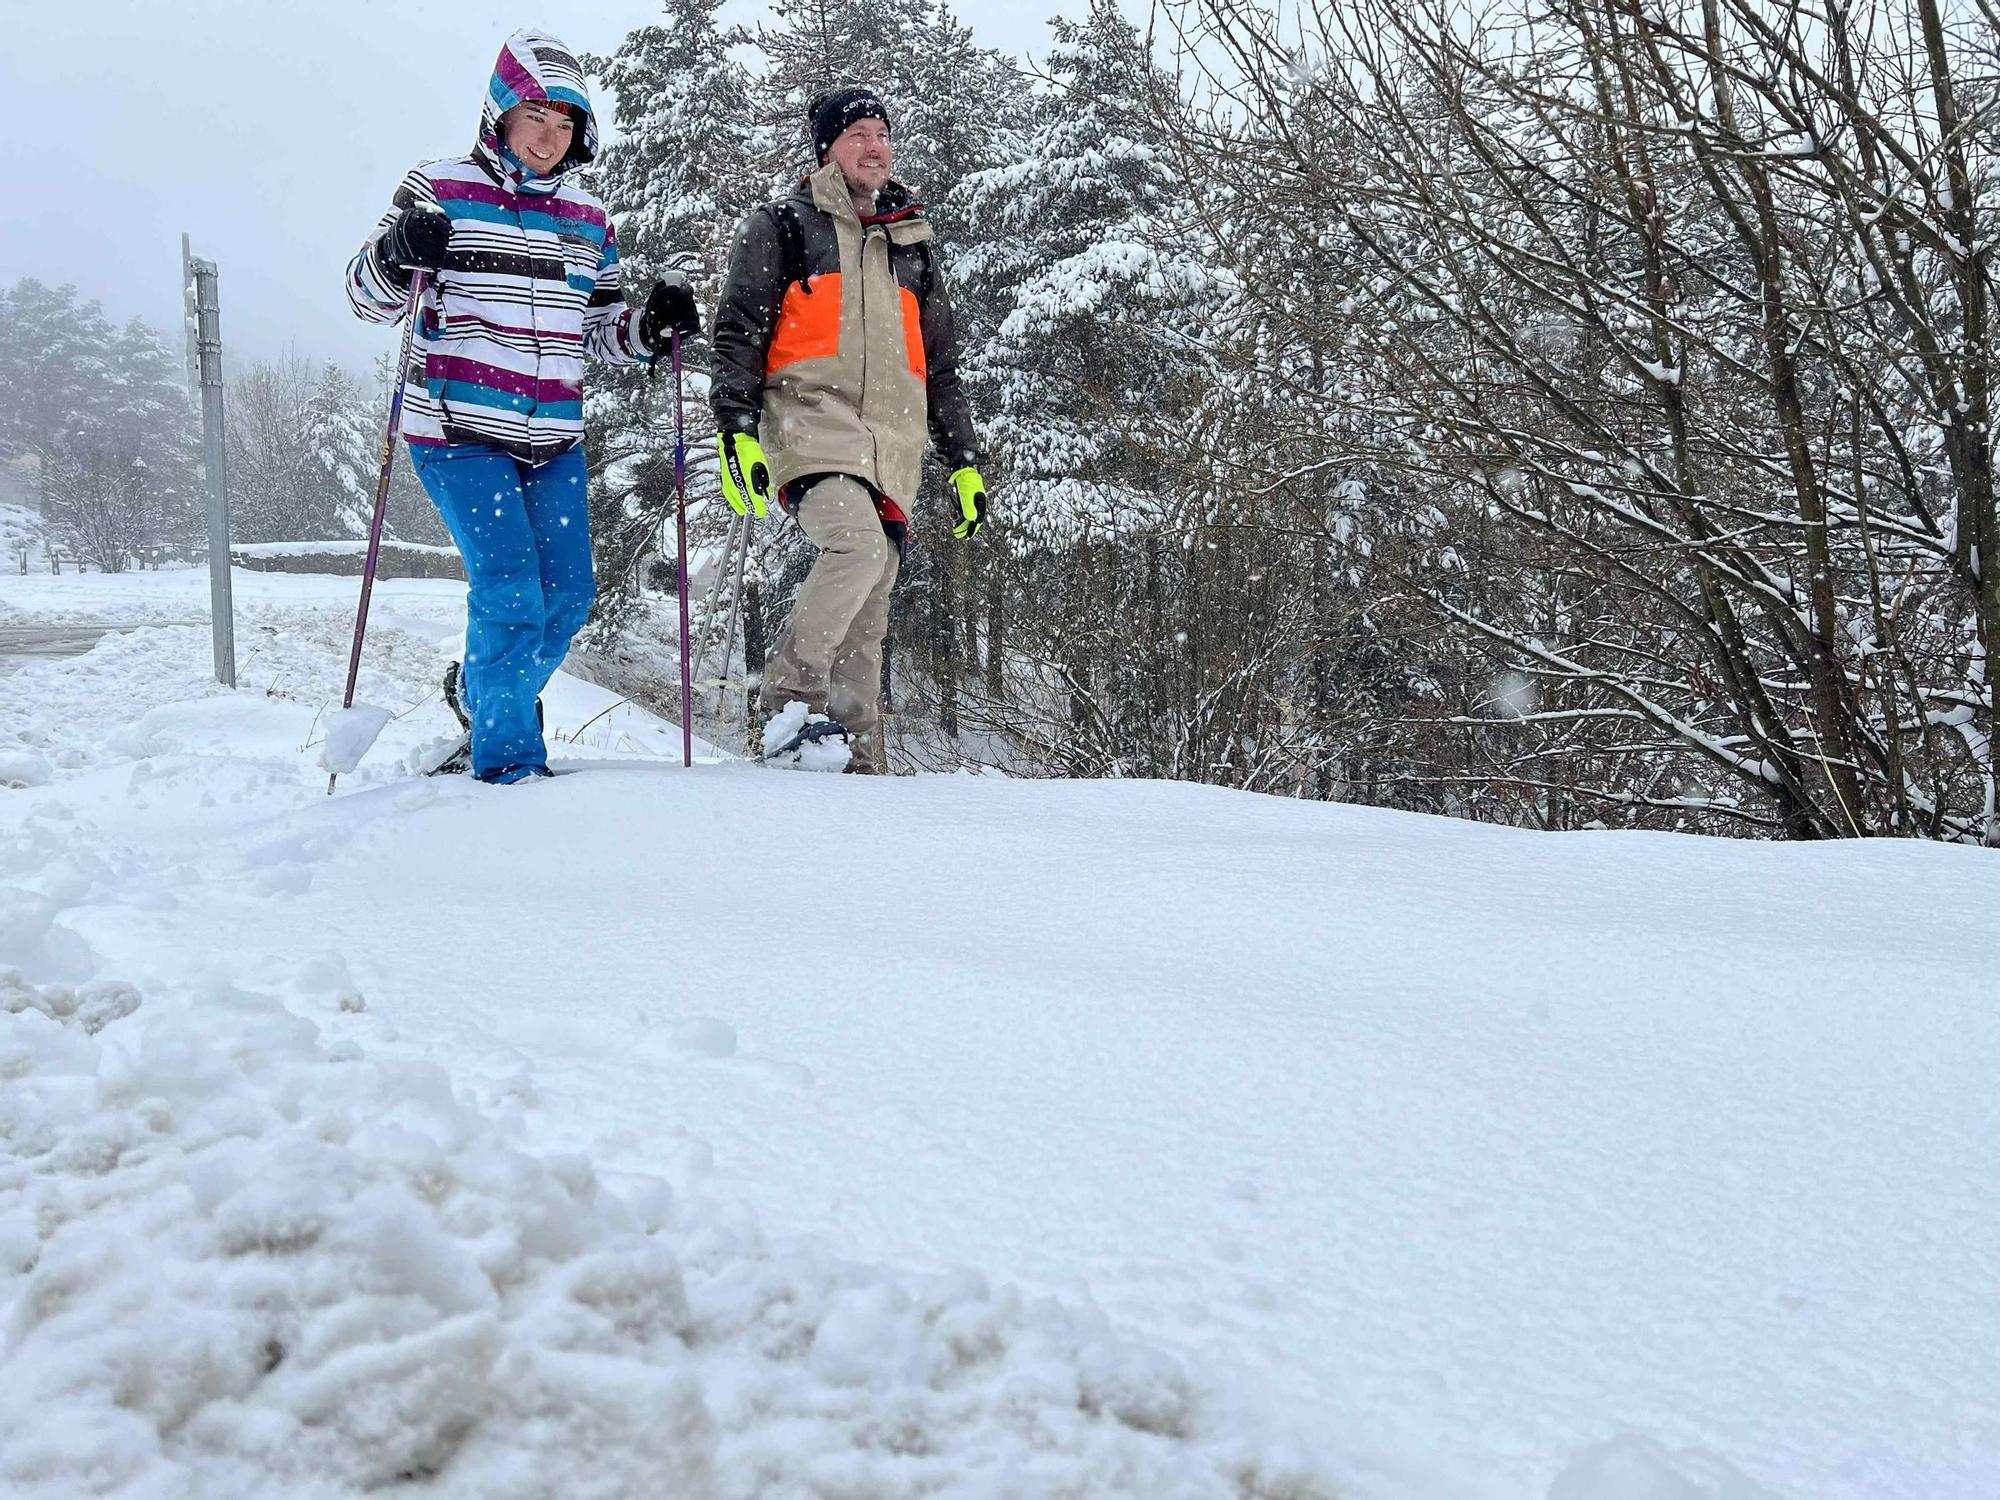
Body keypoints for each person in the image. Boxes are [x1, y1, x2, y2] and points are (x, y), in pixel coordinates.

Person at [345, 28, 701, 783]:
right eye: (536, 115)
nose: (550, 135)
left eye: (566, 122)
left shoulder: (587, 220)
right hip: (456, 431)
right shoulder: (437, 188)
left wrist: (649, 327)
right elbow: (366, 297)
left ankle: (482, 696)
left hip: (553, 438)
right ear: (500, 114)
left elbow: (601, 331)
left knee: (569, 596)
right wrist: (396, 251)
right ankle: (509, 772)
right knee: (510, 591)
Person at [710, 85, 988, 774]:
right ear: (827, 147)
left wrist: (964, 461)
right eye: (860, 133)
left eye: (883, 134)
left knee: (876, 585)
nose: (876, 146)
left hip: (891, 442)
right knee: (858, 548)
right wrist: (735, 429)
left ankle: (860, 760)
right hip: (809, 425)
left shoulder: (912, 244)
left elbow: (941, 366)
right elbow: (738, 332)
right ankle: (788, 706)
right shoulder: (783, 225)